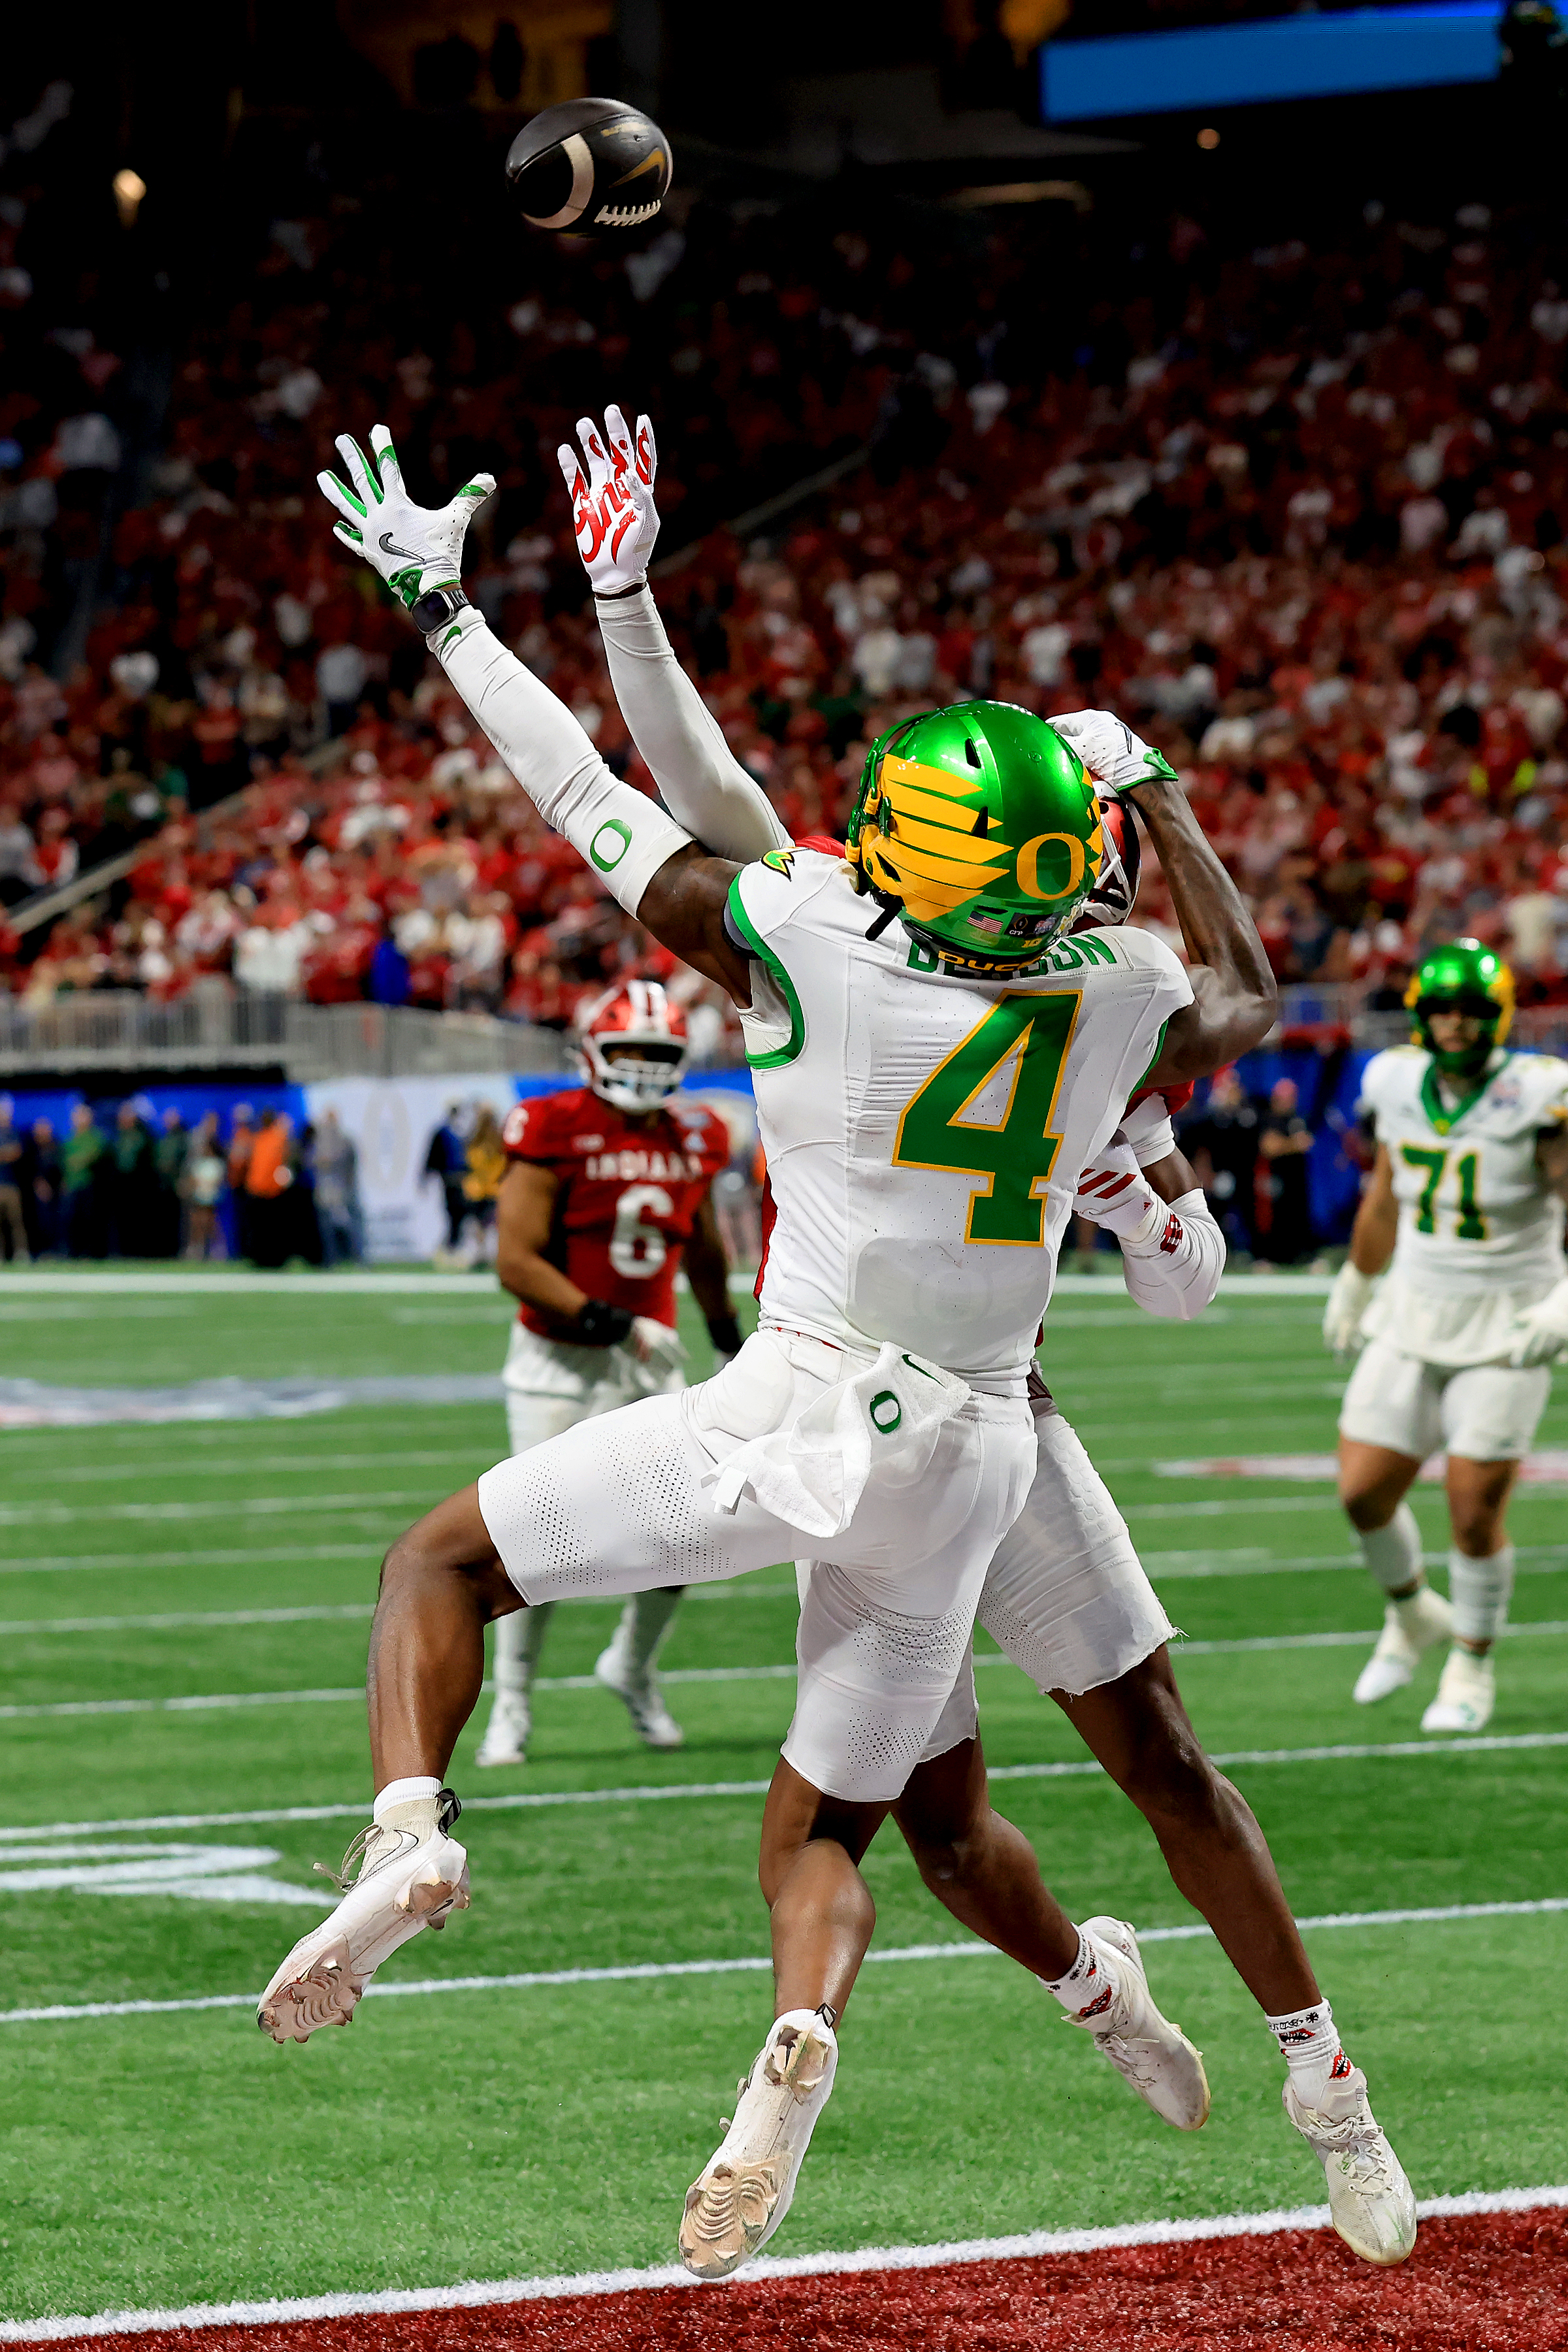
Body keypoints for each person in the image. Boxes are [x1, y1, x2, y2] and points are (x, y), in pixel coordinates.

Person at [254, 425, 1409, 2280]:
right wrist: (1163, 793)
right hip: (981, 1452)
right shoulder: (1111, 987)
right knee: (991, 1808)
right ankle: (1271, 2076)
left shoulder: (809, 941)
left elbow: (624, 802)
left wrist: (466, 614)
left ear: (898, 851)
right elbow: (1249, 992)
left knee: (445, 1565)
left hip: (806, 1415)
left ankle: (410, 1828)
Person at [474, 980, 736, 1769]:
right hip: (559, 1361)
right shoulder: (552, 1125)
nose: (643, 1067)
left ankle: (631, 1667)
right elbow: (515, 1261)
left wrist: (728, 1337)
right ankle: (512, 1704)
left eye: (658, 1054)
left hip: (649, 1359)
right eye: (629, 1051)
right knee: (535, 1540)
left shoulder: (694, 1136)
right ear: (594, 1050)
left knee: (692, 1532)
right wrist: (612, 1322)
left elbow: (700, 1246)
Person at [1322, 941, 1568, 1733]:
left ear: (1498, 1018)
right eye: (1441, 1012)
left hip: (1507, 1320)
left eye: (1469, 1012)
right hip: (1412, 1306)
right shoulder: (1394, 1079)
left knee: (1472, 1508)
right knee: (1362, 1492)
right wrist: (1359, 1280)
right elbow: (1387, 1195)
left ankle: (1472, 1661)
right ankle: (1412, 1613)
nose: (1455, 1026)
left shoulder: (1539, 1094)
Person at [1179, 1065, 1260, 1254]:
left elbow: (1254, 1141)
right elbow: (1198, 1147)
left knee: (1249, 1211)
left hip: (1244, 1174)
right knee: (1212, 1212)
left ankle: (1256, 1253)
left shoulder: (1247, 1114)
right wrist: (1206, 1174)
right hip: (1217, 1174)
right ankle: (1209, 1251)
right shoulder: (1209, 1117)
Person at [1256, 1075, 1315, 1266]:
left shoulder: (1297, 1119)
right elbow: (1269, 1147)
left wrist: (1293, 1145)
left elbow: (1306, 1144)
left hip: (1296, 1179)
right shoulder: (1270, 1119)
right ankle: (1269, 1257)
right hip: (1275, 1178)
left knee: (1298, 1217)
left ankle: (1301, 1257)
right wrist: (1293, 1145)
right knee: (1275, 1219)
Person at [244, 1105, 296, 1268]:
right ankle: (260, 1259)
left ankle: (276, 1260)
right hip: (258, 1190)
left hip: (273, 1191)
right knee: (260, 1230)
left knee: (274, 1230)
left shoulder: (277, 1137)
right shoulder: (259, 1138)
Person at [311, 1108, 360, 1266]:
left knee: (350, 1224)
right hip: (326, 1188)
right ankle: (331, 1259)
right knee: (327, 1226)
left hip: (342, 1187)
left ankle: (356, 1257)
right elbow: (313, 1162)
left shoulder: (344, 1139)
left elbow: (350, 1163)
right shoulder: (320, 1141)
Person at [459, 1103, 506, 1267]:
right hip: (480, 1189)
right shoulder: (476, 1140)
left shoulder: (497, 1140)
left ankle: (490, 1254)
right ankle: (482, 1254)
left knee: (491, 1224)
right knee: (480, 1225)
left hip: (490, 1189)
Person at [108, 1102, 157, 1258]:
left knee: (138, 1220)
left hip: (138, 1185)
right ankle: (122, 1252)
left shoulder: (143, 1136)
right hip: (120, 1185)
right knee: (122, 1221)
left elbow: (147, 1161)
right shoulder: (117, 1137)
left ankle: (139, 1252)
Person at [423, 1103, 469, 1260]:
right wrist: (426, 1176)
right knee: (452, 1212)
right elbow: (433, 1154)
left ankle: (453, 1244)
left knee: (462, 1213)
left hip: (463, 1179)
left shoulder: (463, 1131)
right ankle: (450, 1245)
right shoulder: (443, 1132)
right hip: (449, 1179)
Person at [61, 1104, 106, 1258]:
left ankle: (90, 1253)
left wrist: (80, 1160)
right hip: (72, 1185)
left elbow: (94, 1155)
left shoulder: (94, 1136)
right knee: (70, 1220)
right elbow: (65, 1162)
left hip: (88, 1184)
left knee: (89, 1220)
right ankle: (72, 1253)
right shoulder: (70, 1137)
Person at [184, 1113, 227, 1260]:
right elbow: (193, 1178)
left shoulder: (216, 1163)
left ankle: (218, 1249)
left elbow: (218, 1180)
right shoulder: (199, 1162)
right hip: (199, 1195)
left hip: (210, 1196)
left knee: (210, 1222)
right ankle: (196, 1249)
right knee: (196, 1222)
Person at [20, 1117, 60, 1258]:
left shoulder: (56, 1146)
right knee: (35, 1222)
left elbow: (59, 1168)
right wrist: (38, 1182)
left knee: (54, 1222)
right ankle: (38, 1252)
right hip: (33, 1194)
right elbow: (27, 1169)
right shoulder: (30, 1148)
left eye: (45, 1129)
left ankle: (54, 1251)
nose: (42, 1132)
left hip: (55, 1193)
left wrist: (52, 1185)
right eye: (39, 1129)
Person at [154, 1108, 189, 1258]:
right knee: (164, 1221)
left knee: (178, 1221)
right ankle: (164, 1251)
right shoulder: (164, 1139)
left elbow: (184, 1162)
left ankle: (177, 1252)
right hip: (163, 1186)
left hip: (177, 1186)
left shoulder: (182, 1138)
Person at [226, 1105, 257, 1261]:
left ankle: (245, 1252)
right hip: (239, 1184)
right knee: (241, 1221)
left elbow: (240, 1162)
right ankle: (241, 1251)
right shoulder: (240, 1135)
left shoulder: (246, 1136)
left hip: (243, 1184)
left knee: (245, 1221)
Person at [0, 1096, 27, 1263]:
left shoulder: (14, 1132)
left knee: (16, 1221)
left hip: (11, 1185)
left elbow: (17, 1153)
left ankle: (21, 1253)